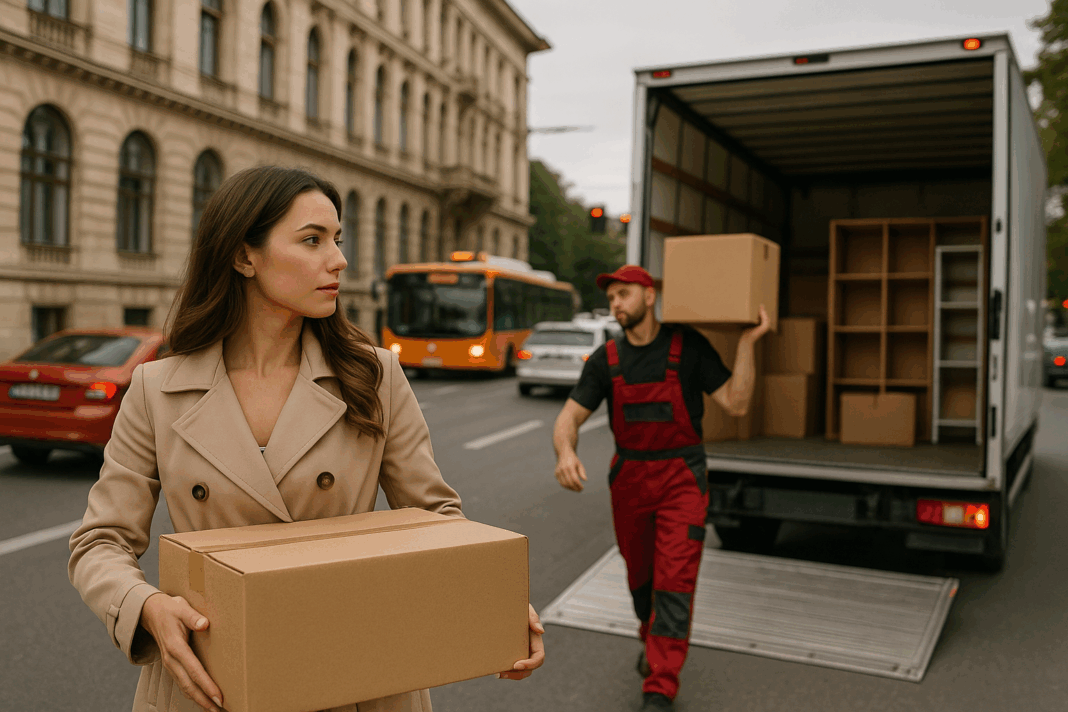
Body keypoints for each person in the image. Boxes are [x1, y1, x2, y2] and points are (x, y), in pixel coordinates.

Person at [68, 166, 545, 712]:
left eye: (337, 240)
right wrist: (147, 607)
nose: (339, 260)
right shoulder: (158, 388)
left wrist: (493, 600)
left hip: (358, 673)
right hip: (211, 681)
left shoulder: (374, 376)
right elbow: (99, 542)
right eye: (313, 240)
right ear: (244, 256)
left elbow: (434, 518)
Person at [551, 265, 768, 711]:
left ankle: (661, 685)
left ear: (649, 297)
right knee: (642, 583)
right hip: (630, 480)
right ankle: (653, 642)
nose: (615, 303)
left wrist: (747, 342)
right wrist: (565, 453)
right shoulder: (605, 360)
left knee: (674, 580)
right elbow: (568, 418)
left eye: (623, 293)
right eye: (611, 296)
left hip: (681, 479)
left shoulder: (687, 348)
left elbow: (737, 402)